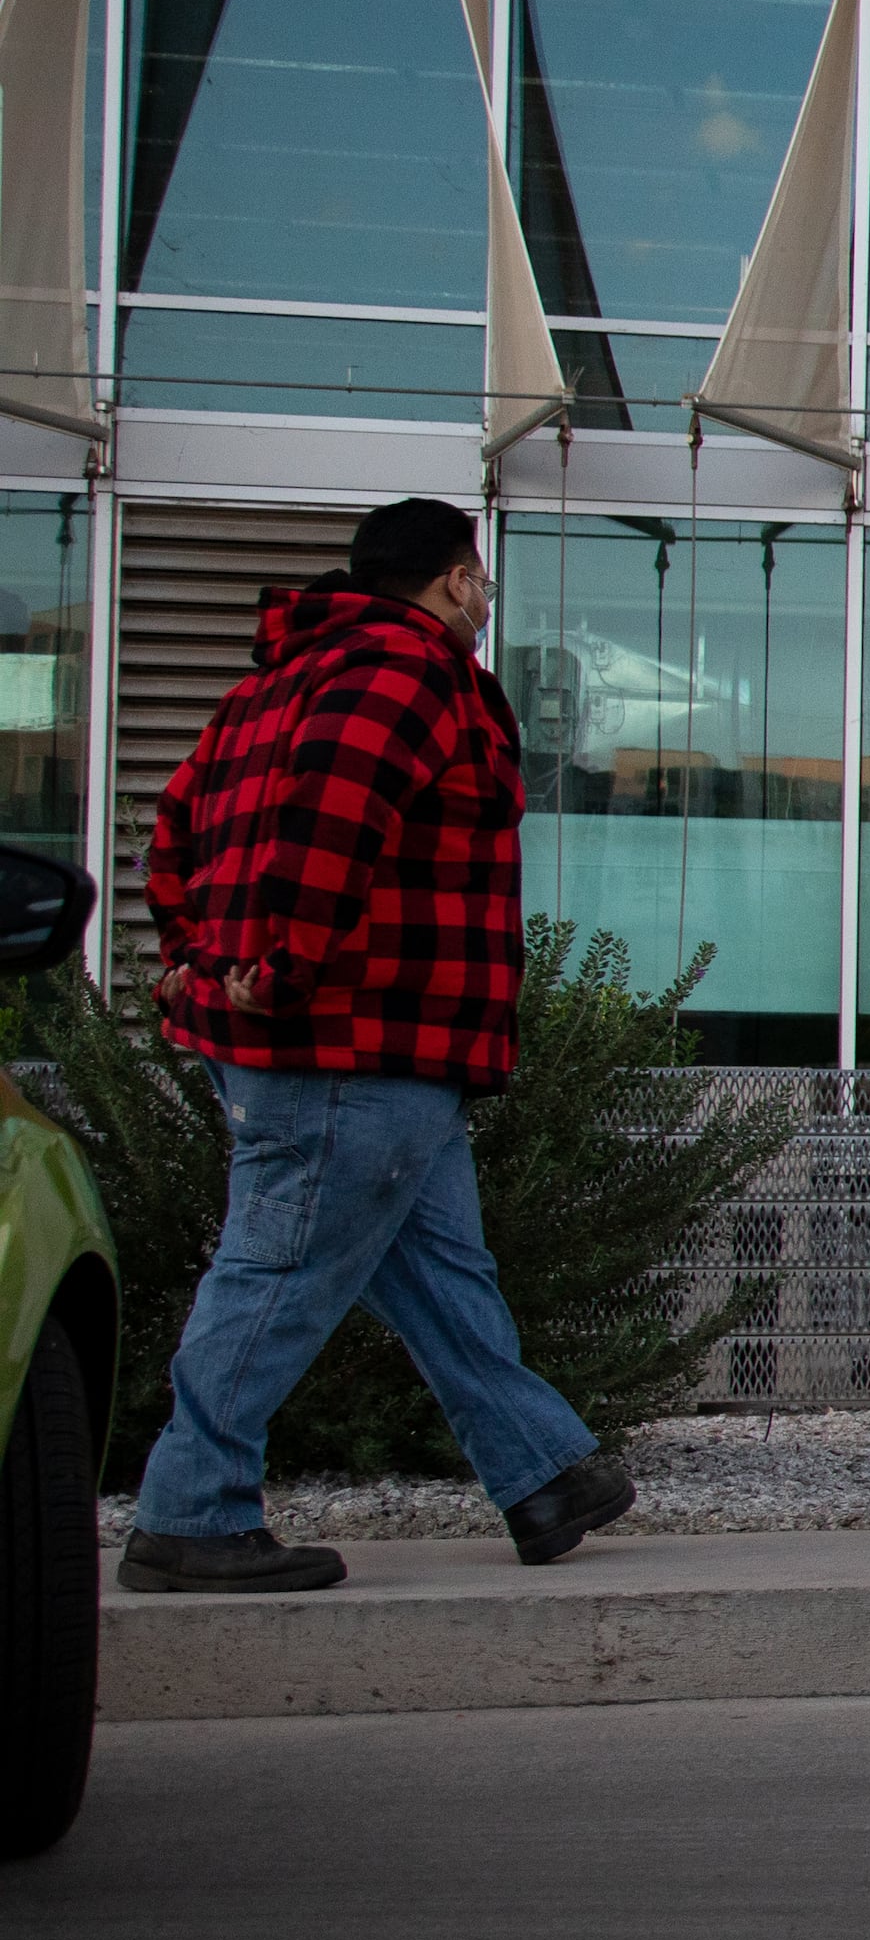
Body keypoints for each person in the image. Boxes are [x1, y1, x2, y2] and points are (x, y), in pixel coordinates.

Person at [117, 498, 630, 1592]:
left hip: (359, 1048)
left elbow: (172, 832)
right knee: (276, 1273)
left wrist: (198, 964)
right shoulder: (409, 673)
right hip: (355, 1042)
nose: (486, 601)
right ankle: (191, 1513)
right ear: (452, 579)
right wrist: (282, 973)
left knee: (440, 1269)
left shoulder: (270, 685)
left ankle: (541, 1474)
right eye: (481, 580)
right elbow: (331, 827)